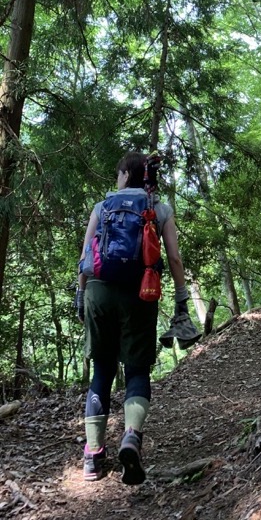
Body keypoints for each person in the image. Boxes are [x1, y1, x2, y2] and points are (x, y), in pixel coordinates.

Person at [76, 152, 192, 485]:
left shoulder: (102, 207)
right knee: (137, 369)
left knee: (102, 369)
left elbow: (86, 255)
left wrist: (82, 295)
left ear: (126, 174)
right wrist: (181, 301)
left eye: (118, 173)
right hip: (141, 293)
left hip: (99, 290)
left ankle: (93, 456)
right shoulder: (161, 209)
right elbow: (173, 258)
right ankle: (131, 437)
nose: (117, 179)